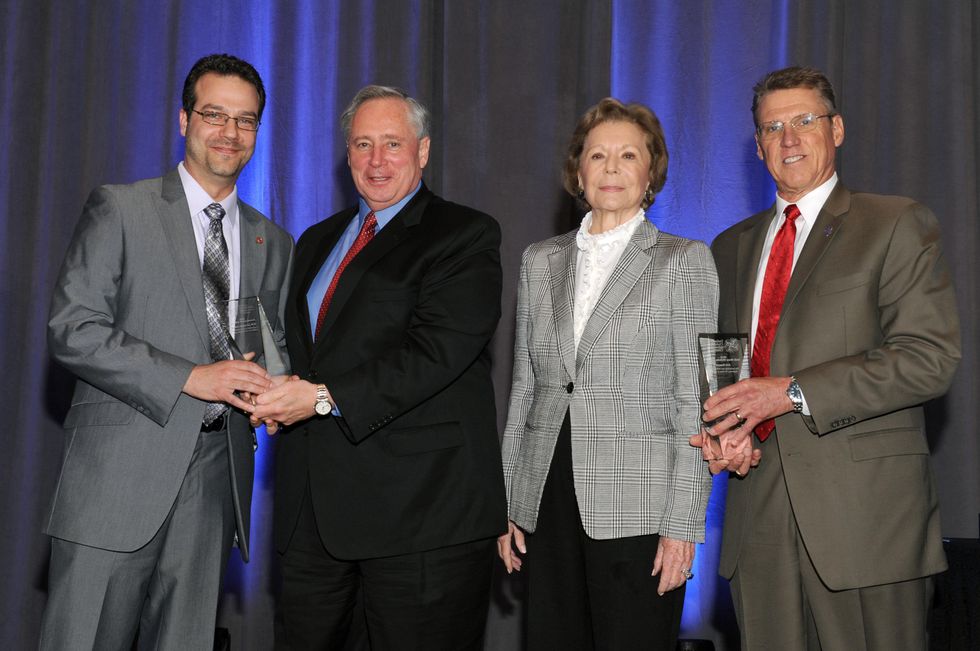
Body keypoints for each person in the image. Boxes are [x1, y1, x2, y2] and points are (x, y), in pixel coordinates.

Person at [694, 66, 961, 649]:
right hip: (757, 516)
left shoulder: (893, 223)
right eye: (772, 127)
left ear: (836, 130)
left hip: (865, 520)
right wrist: (724, 428)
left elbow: (928, 359)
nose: (788, 139)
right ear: (758, 145)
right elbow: (727, 364)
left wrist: (789, 392)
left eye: (804, 121)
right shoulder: (729, 247)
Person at [41, 54, 293, 649]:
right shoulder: (121, 209)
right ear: (183, 120)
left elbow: (266, 344)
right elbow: (72, 328)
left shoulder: (272, 240)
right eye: (215, 114)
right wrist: (192, 377)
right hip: (115, 481)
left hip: (213, 485)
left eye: (247, 120)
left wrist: (277, 394)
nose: (230, 132)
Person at [250, 85, 506, 650]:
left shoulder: (464, 234)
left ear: (423, 151)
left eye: (393, 144)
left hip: (420, 516)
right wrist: (267, 386)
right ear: (347, 155)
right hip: (313, 515)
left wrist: (318, 397)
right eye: (362, 144)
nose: (376, 160)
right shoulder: (317, 241)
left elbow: (436, 352)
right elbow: (307, 352)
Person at [496, 97, 718, 649]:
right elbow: (524, 389)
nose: (612, 167)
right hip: (546, 499)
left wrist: (684, 525)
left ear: (651, 173)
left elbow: (694, 403)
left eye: (628, 155)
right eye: (597, 156)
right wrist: (507, 503)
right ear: (578, 172)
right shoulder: (538, 261)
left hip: (641, 508)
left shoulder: (684, 261)